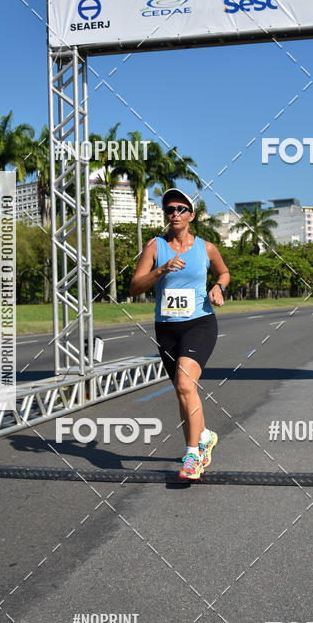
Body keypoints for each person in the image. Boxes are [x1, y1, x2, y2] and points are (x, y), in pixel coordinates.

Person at [130, 189, 229, 480]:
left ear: (191, 215)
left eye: (181, 209)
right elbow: (134, 288)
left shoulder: (206, 248)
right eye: (169, 209)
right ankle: (204, 436)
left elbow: (223, 273)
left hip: (200, 322)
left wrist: (218, 287)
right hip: (167, 327)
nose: (174, 213)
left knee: (186, 384)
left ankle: (192, 457)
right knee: (183, 391)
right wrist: (161, 270)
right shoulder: (155, 246)